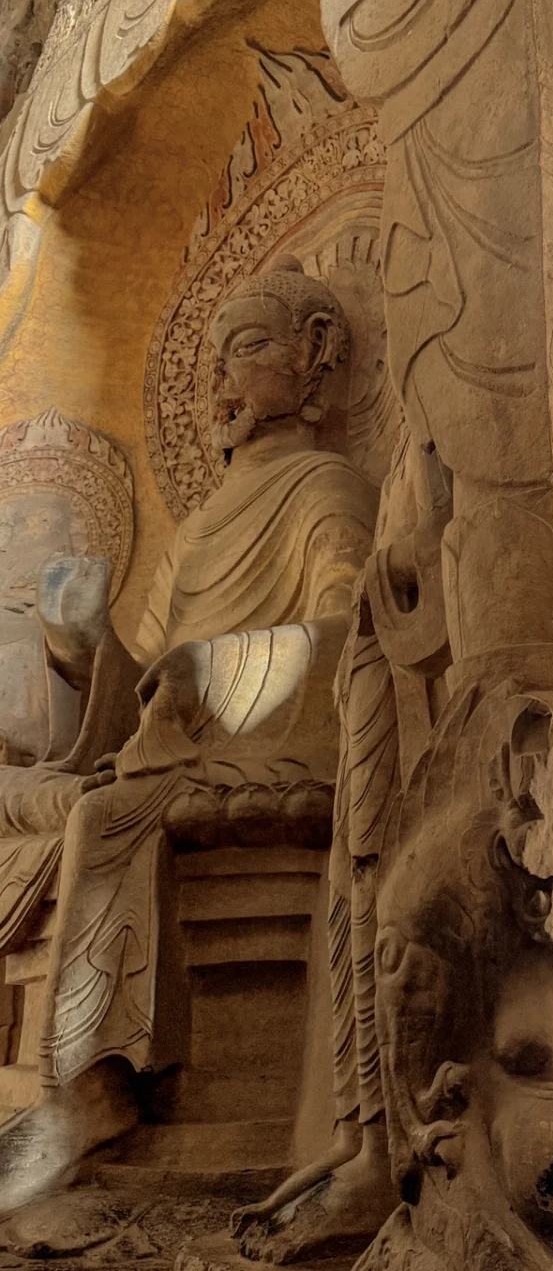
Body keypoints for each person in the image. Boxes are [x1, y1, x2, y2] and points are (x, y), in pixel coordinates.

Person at [0, 261, 383, 1215]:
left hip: (261, 748)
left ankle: (93, 1089)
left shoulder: (323, 489)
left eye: (247, 350)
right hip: (171, 746)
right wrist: (87, 647)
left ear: (314, 359)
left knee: (106, 818)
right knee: (23, 797)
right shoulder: (201, 526)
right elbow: (141, 686)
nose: (221, 380)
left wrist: (217, 671)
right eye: (214, 361)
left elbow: (350, 628)